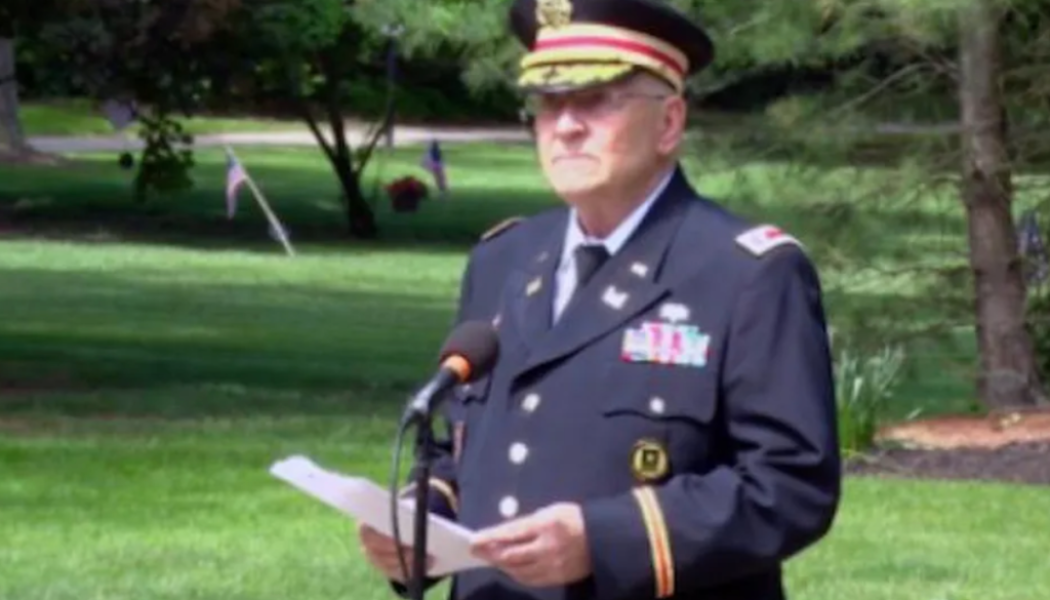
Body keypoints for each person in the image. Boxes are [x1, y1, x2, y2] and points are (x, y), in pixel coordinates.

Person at [358, 0, 842, 599]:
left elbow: (791, 485)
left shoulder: (746, 273)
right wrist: (420, 519)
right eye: (548, 103)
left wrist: (603, 539)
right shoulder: (503, 259)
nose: (565, 126)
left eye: (596, 100)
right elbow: (458, 449)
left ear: (669, 123)